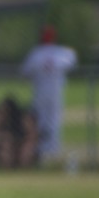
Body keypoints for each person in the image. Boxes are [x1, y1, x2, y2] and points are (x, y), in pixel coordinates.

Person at [21, 24, 77, 160]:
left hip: (40, 91)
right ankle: (53, 148)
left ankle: (41, 148)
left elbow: (25, 71)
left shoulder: (36, 53)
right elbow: (72, 62)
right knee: (54, 120)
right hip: (56, 91)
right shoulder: (63, 52)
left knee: (40, 120)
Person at [0, 95, 39, 168]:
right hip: (5, 144)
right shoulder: (0, 118)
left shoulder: (23, 119)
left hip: (21, 143)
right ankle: (5, 168)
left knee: (28, 148)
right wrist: (3, 136)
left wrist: (23, 142)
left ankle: (25, 168)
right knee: (6, 145)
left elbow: (33, 134)